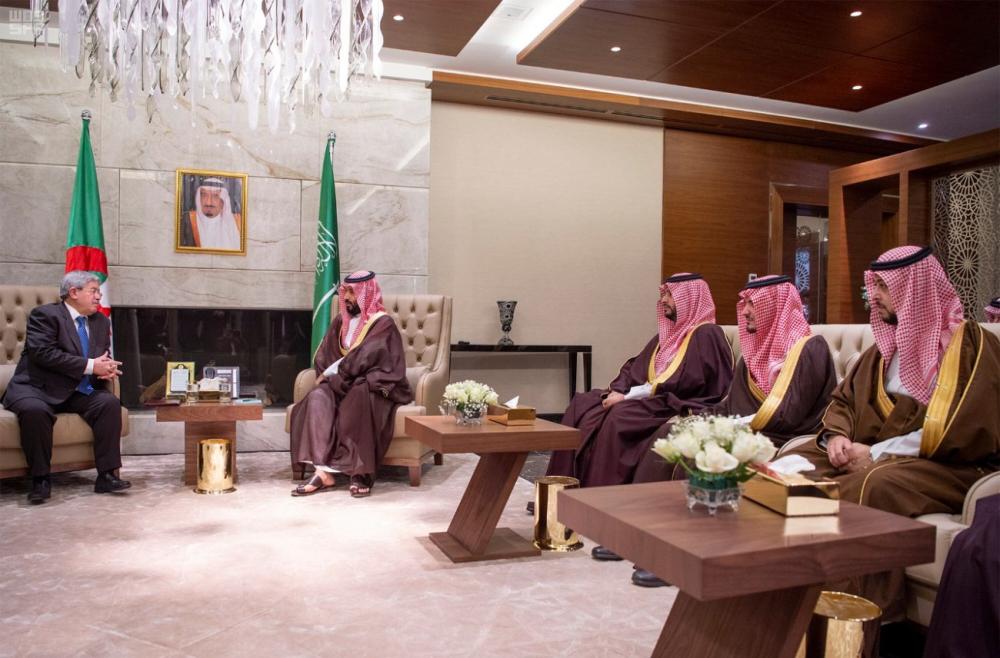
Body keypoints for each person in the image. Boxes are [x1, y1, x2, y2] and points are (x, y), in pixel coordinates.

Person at [782, 245, 1000, 619]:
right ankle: (784, 581)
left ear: (914, 288)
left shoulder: (970, 346)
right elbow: (843, 402)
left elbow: (965, 427)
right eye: (875, 286)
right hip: (875, 455)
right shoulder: (881, 352)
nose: (874, 296)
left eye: (883, 286)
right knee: (794, 463)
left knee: (874, 484)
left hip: (948, 465)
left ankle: (847, 613)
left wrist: (876, 453)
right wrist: (838, 439)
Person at [628, 274, 837, 587]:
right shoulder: (754, 354)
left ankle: (687, 557)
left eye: (753, 303)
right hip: (749, 430)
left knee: (707, 455)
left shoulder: (809, 349)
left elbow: (788, 415)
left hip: (782, 437)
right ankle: (640, 534)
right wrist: (697, 420)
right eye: (745, 303)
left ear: (775, 306)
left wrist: (728, 427)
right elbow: (729, 405)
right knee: (670, 435)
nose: (746, 310)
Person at [546, 273, 734, 493]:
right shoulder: (669, 335)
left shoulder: (706, 334)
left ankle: (603, 495)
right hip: (654, 398)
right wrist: (617, 390)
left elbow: (686, 381)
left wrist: (626, 397)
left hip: (677, 401)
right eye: (663, 294)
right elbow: (635, 366)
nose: (663, 300)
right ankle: (560, 489)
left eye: (670, 295)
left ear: (690, 298)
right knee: (583, 403)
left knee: (620, 416)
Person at [2, 271, 129, 504]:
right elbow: (44, 354)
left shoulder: (100, 321)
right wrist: (91, 366)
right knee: (35, 411)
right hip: (36, 388)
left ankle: (107, 475)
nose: (99, 296)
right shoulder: (45, 315)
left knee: (108, 403)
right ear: (73, 292)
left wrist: (106, 368)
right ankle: (40, 479)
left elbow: (101, 355)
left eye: (99, 292)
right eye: (93, 291)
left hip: (75, 390)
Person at [289, 271, 413, 498]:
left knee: (358, 395)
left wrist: (340, 374)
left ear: (366, 293)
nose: (346, 297)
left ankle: (360, 472)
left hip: (374, 384)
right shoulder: (340, 322)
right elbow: (324, 356)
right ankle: (322, 472)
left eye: (352, 293)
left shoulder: (382, 323)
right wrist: (335, 376)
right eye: (344, 291)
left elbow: (368, 357)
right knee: (317, 397)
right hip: (341, 382)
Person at [178, 178, 242, 250]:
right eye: (204, 195)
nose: (209, 202)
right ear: (199, 198)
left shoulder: (238, 223)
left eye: (215, 196)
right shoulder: (186, 220)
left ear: (223, 201)